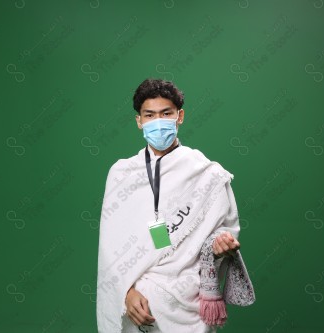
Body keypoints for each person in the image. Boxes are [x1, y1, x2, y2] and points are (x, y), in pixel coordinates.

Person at [96, 79, 255, 333]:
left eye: (166, 113)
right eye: (149, 115)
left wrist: (218, 246)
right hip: (138, 305)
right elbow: (110, 248)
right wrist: (125, 293)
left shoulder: (207, 174)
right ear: (139, 121)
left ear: (179, 116)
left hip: (189, 304)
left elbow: (226, 230)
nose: (158, 121)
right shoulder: (121, 174)